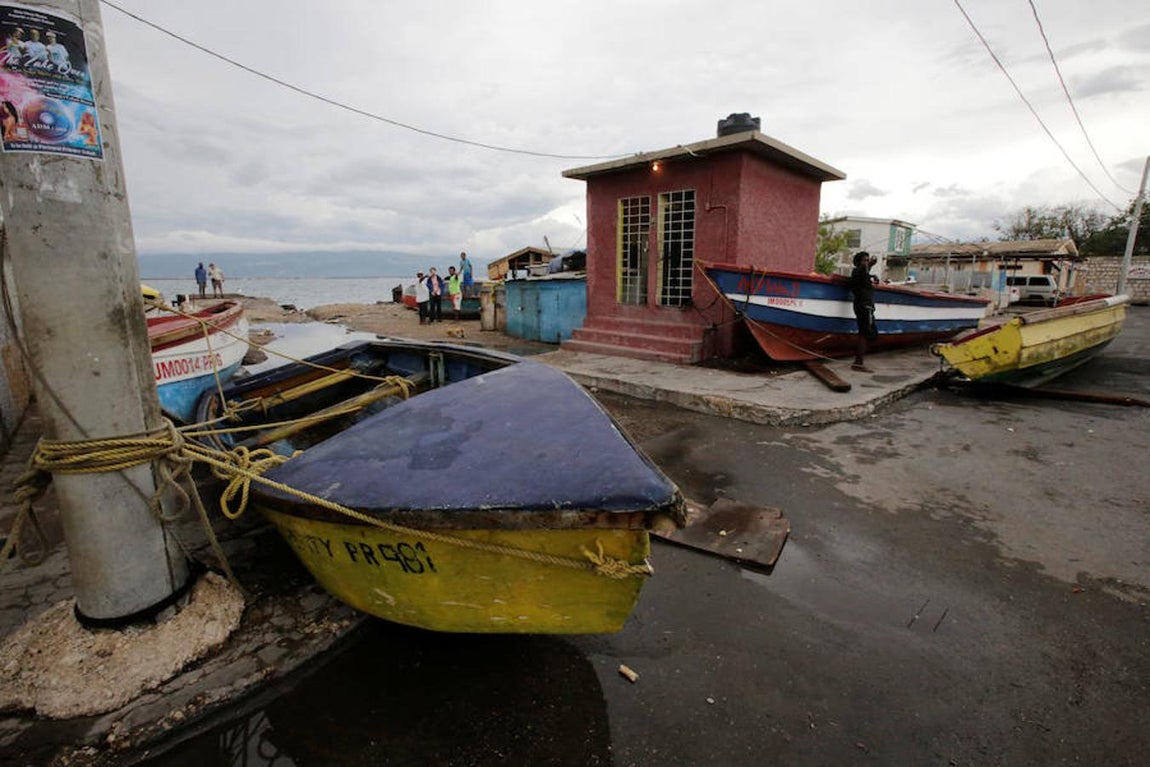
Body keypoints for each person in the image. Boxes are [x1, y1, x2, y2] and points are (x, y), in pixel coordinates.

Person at [848, 251, 879, 372]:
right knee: (864, 333)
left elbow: (864, 274)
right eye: (864, 260)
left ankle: (859, 361)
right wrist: (870, 264)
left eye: (867, 260)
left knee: (870, 333)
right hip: (864, 307)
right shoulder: (857, 271)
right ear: (858, 262)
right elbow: (862, 270)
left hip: (866, 306)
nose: (866, 262)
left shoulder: (863, 274)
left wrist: (872, 276)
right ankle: (858, 363)